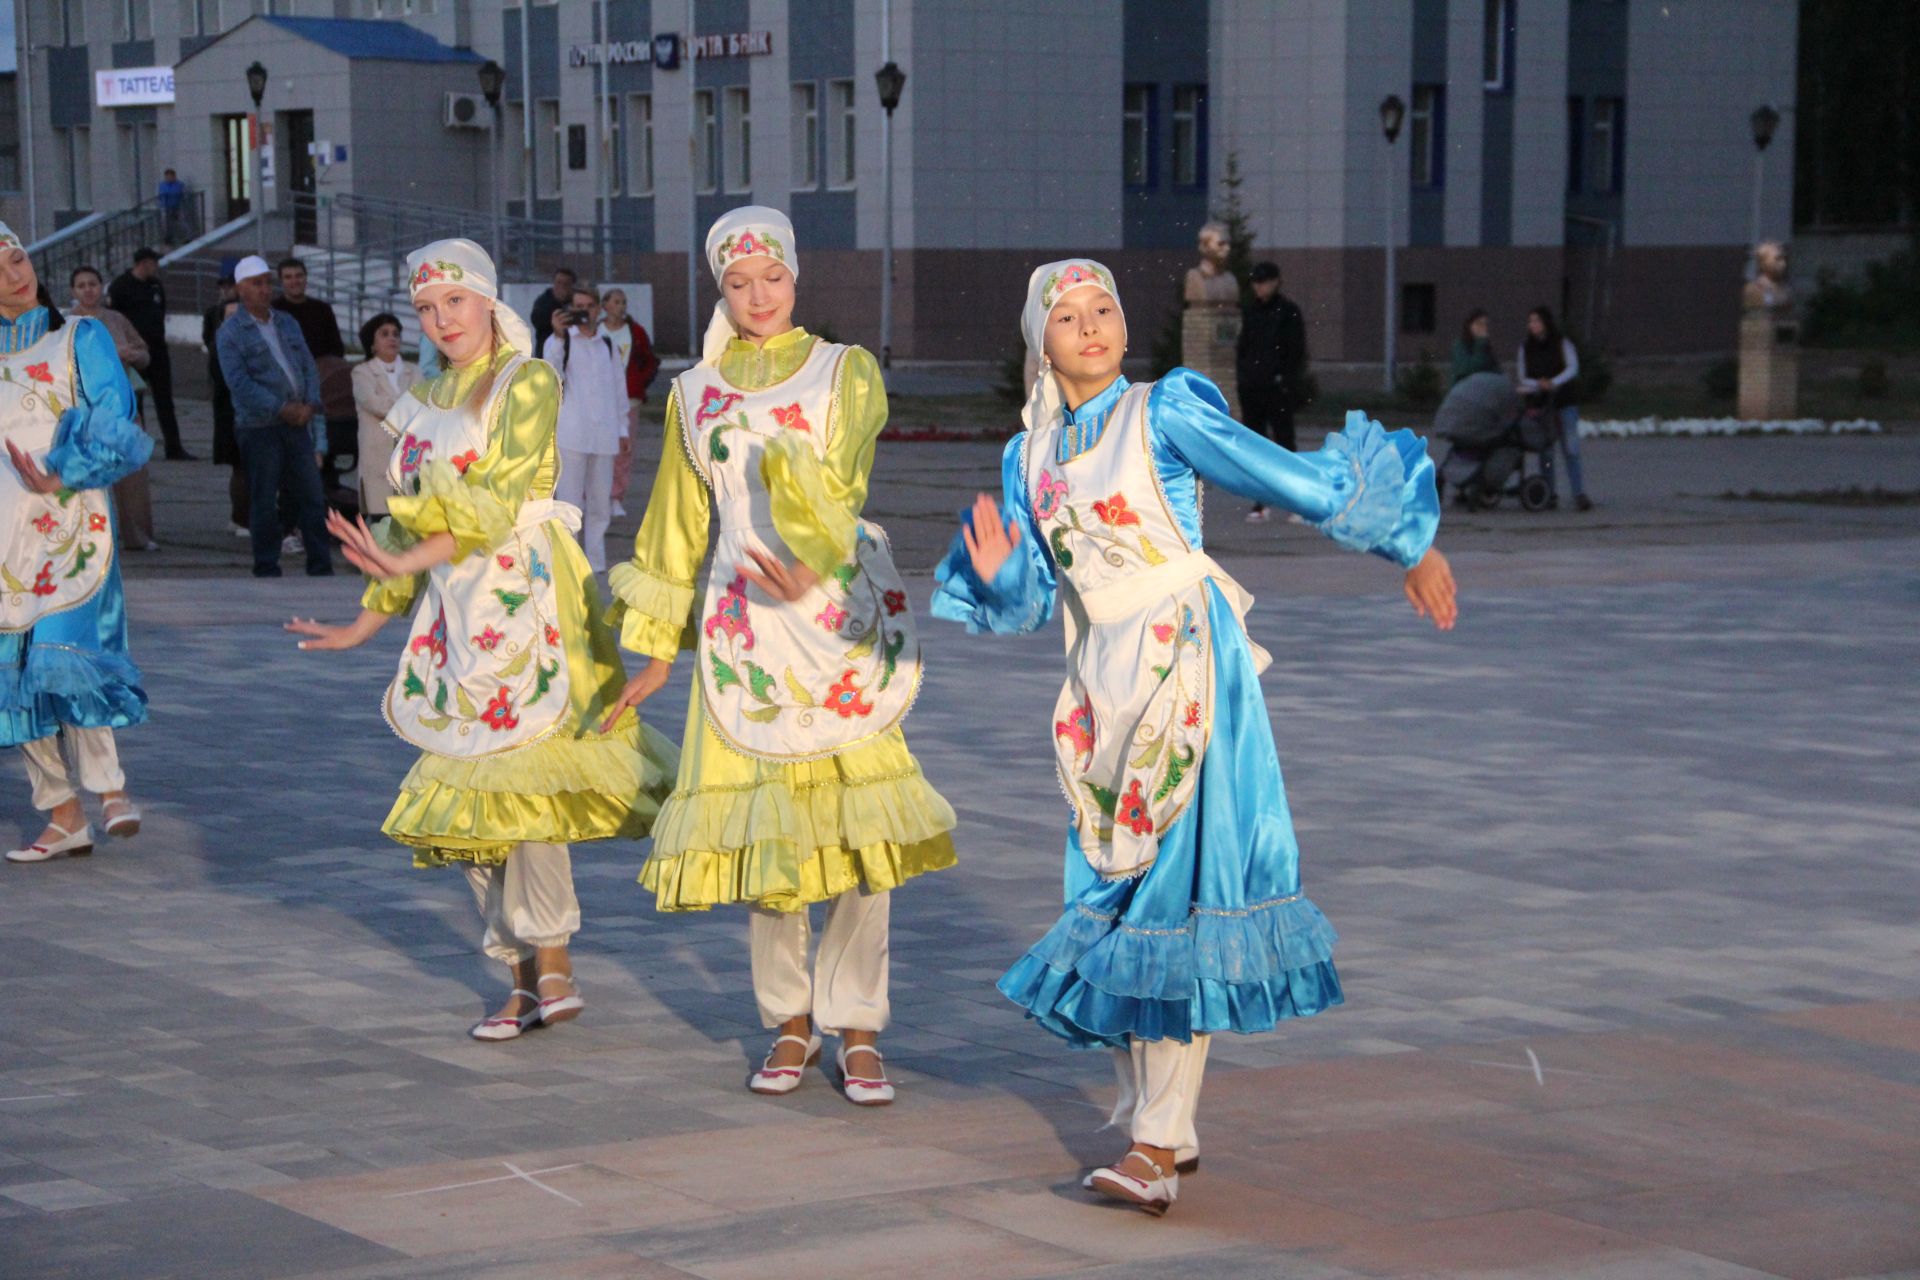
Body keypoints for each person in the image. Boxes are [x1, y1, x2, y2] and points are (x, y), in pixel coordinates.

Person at [932, 258, 1457, 1215]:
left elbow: (1284, 476)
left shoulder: (1165, 411)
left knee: (1172, 893)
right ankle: (1158, 1120)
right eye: (1068, 318)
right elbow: (1026, 598)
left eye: (1104, 311)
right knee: (1122, 891)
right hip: (1099, 682)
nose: (1090, 328)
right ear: (1037, 342)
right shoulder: (1029, 459)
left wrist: (1406, 542)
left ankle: (1157, 1144)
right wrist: (1001, 568)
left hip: (1184, 661)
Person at [603, 207, 958, 1106]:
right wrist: (651, 653)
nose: (758, 297)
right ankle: (790, 1022)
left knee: (861, 836)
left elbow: (841, 486)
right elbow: (675, 532)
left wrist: (808, 564)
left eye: (772, 277)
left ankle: (861, 1023)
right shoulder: (693, 394)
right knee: (769, 847)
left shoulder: (845, 372)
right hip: (741, 632)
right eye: (737, 283)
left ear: (796, 278)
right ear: (719, 288)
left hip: (832, 611)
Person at [286, 237, 676, 1041]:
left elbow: (493, 502)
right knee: (468, 804)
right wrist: (366, 618)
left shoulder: (524, 379)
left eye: (453, 302)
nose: (439, 320)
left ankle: (551, 958)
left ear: (488, 302)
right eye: (426, 308)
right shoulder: (421, 396)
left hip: (525, 600)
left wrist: (407, 553)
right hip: (452, 615)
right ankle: (521, 974)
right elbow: (414, 517)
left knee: (524, 784)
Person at [0, 223, 153, 864]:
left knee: (69, 651)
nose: (16, 274)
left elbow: (115, 415)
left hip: (67, 515)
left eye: (19, 258)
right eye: (1, 268)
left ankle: (110, 789)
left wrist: (64, 471)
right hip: (4, 525)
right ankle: (62, 813)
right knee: (11, 668)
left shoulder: (77, 337)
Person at [216, 255, 333, 578]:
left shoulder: (286, 322)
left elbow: (307, 364)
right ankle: (267, 565)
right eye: (257, 284)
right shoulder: (231, 333)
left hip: (298, 423)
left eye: (267, 282)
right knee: (264, 497)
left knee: (311, 493)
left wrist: (309, 404)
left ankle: (320, 563)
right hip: (260, 426)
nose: (265, 289)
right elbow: (239, 383)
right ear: (241, 289)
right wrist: (281, 407)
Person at [68, 265, 157, 551]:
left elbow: (145, 355)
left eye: (92, 284)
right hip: (85, 408)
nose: (88, 290)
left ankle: (137, 534)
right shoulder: (66, 323)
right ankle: (88, 536)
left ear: (101, 286)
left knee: (132, 473)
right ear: (74, 292)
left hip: (123, 406)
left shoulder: (117, 319)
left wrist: (133, 354)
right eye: (81, 286)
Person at [541, 286, 624, 572]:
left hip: (604, 435)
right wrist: (560, 335)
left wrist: (622, 429)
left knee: (600, 504)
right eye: (578, 305)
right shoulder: (560, 342)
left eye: (589, 305)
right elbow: (550, 373)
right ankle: (568, 561)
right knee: (569, 502)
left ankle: (596, 561)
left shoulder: (608, 345)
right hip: (571, 434)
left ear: (598, 309)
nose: (584, 311)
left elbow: (618, 390)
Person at [1235, 262, 1308, 523]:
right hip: (1253, 388)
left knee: (1285, 445)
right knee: (1257, 449)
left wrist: (1285, 381)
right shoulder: (1251, 311)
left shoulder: (1288, 312)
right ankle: (1260, 503)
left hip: (1277, 389)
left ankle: (1296, 502)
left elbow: (1295, 351)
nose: (1260, 287)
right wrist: (1244, 380)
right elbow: (1243, 348)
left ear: (1276, 282)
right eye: (1256, 282)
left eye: (1264, 281)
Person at [108, 247, 191, 460]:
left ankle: (174, 447)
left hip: (157, 350)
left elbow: (160, 310)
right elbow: (115, 318)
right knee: (135, 400)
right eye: (154, 263)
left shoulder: (155, 285)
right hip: (133, 353)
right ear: (144, 263)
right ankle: (137, 446)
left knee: (165, 400)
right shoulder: (121, 286)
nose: (156, 267)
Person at [1517, 305, 1592, 512]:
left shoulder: (1562, 343)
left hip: (1564, 401)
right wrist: (1539, 385)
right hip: (1541, 404)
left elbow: (1572, 368)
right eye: (1531, 321)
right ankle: (1549, 494)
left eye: (1537, 321)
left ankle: (1578, 493)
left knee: (1571, 448)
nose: (1533, 325)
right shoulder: (1526, 347)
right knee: (1546, 451)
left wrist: (1553, 382)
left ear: (1546, 323)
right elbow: (1523, 376)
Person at [351, 312, 419, 519]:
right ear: (372, 343)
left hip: (409, 456)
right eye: (385, 334)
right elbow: (376, 405)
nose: (392, 338)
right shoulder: (361, 373)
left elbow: (421, 403)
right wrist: (406, 405)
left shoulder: (413, 370)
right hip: (377, 457)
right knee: (382, 521)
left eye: (396, 334)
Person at [600, 287, 658, 519]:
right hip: (599, 400)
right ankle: (595, 496)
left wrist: (639, 383)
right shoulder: (596, 331)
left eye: (623, 302)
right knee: (599, 450)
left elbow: (650, 361)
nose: (621, 306)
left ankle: (616, 497)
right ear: (605, 305)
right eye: (616, 302)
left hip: (628, 399)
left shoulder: (635, 332)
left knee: (624, 449)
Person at [203, 274, 247, 536]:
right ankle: (242, 518)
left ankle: (241, 516)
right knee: (241, 465)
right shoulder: (221, 342)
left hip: (240, 408)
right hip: (230, 409)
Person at [270, 258, 345, 360]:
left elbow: (337, 348)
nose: (294, 281)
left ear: (306, 278)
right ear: (281, 281)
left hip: (320, 369)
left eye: (299, 276)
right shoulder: (272, 311)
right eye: (288, 277)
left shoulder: (323, 309)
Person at [529, 265, 578, 350]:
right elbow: (537, 321)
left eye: (565, 284)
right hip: (548, 349)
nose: (561, 286)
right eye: (558, 283)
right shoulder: (543, 301)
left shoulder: (577, 302)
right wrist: (558, 303)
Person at [1450, 309, 1500, 386]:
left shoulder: (1486, 347)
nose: (1483, 328)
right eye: (1479, 324)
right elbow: (1469, 369)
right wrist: (1480, 343)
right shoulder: (1460, 345)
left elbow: (1496, 370)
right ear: (1469, 325)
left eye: (1485, 324)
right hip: (1464, 390)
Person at [157, 169, 187, 245]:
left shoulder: (179, 184)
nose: (169, 178)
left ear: (174, 176)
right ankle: (168, 238)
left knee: (181, 223)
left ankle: (184, 238)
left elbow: (180, 193)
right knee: (166, 224)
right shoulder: (162, 185)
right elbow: (161, 195)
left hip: (177, 206)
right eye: (167, 177)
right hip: (166, 207)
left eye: (171, 176)